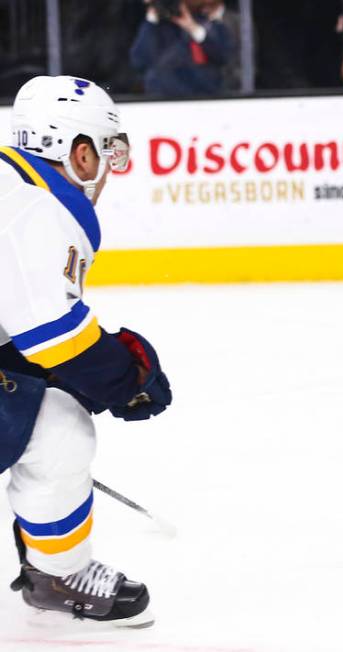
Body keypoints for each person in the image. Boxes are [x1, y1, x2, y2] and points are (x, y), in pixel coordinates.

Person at [0, 75, 172, 625]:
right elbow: (54, 335)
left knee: (48, 415)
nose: (103, 170)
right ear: (77, 152)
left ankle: (56, 569)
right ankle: (59, 573)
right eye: (102, 152)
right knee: (59, 434)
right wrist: (127, 378)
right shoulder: (34, 207)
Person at [129, 0, 237, 96]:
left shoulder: (210, 25)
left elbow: (224, 56)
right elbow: (139, 61)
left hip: (203, 98)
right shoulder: (155, 29)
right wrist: (152, 18)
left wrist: (192, 28)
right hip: (162, 99)